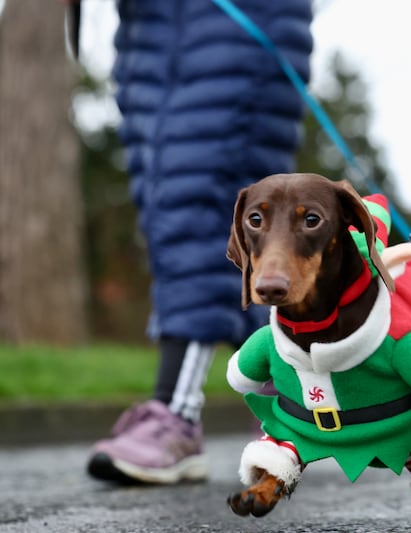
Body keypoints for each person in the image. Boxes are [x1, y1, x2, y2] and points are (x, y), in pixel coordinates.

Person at [86, 0, 314, 484]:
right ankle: (286, 410)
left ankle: (176, 413)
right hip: (150, 45)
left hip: (229, 26)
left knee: (198, 209)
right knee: (175, 215)